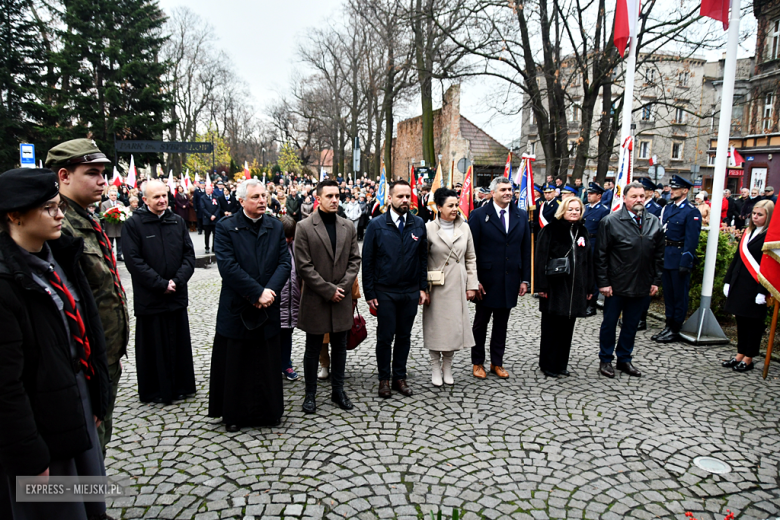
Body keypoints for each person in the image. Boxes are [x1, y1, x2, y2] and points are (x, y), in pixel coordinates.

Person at [0, 168, 111, 520]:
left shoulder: (61, 254)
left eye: (59, 205)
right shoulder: (6, 282)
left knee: (92, 500)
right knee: (57, 510)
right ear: (14, 215)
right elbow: (5, 387)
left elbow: (87, 329)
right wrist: (29, 457)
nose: (60, 214)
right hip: (41, 426)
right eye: (49, 208)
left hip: (76, 403)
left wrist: (96, 394)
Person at [46, 138, 129, 458]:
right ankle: (82, 506)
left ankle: (92, 505)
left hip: (104, 352)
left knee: (99, 437)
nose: (103, 181)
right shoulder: (59, 226)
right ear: (64, 176)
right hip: (82, 359)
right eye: (92, 173)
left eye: (104, 173)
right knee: (82, 443)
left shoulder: (87, 218)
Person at [208, 180, 290, 431]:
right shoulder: (226, 227)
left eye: (264, 195)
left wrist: (269, 292)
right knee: (237, 362)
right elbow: (228, 267)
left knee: (266, 360)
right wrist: (256, 294)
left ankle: (269, 412)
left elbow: (285, 263)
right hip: (238, 306)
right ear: (241, 201)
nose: (263, 200)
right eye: (256, 197)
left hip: (268, 305)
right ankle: (234, 415)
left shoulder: (275, 227)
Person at [122, 180, 196, 404]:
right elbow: (134, 261)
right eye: (156, 197)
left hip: (176, 294)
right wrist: (160, 283)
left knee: (178, 342)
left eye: (164, 195)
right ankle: (156, 389)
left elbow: (188, 256)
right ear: (145, 200)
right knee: (154, 345)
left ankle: (182, 386)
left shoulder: (177, 221)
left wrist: (177, 280)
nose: (162, 200)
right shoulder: (133, 225)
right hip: (151, 298)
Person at [295, 180, 361, 413]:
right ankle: (310, 394)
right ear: (319, 199)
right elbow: (304, 266)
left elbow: (354, 260)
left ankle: (338, 391)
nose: (335, 200)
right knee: (313, 348)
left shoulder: (348, 226)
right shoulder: (304, 227)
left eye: (337, 196)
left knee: (340, 347)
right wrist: (328, 290)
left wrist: (341, 288)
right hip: (316, 298)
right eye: (329, 196)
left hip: (341, 297)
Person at [363, 180, 428, 398]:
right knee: (385, 337)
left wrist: (422, 287)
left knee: (404, 336)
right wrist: (370, 292)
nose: (405, 200)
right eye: (400, 196)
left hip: (409, 291)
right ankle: (384, 379)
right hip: (385, 292)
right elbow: (368, 260)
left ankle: (399, 377)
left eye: (408, 196)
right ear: (389, 198)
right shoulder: (377, 225)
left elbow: (422, 258)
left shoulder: (418, 224)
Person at [596, 181, 664, 377]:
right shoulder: (610, 221)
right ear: (624, 198)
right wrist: (603, 282)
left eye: (642, 196)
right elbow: (600, 255)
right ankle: (606, 359)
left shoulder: (653, 221)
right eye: (634, 196)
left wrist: (655, 281)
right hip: (616, 284)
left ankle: (624, 359)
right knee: (609, 324)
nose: (639, 200)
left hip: (642, 283)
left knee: (631, 324)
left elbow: (659, 255)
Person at [469, 176, 532, 379]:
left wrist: (525, 279)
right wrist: (473, 280)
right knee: (481, 322)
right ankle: (477, 362)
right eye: (503, 189)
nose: (508, 193)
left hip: (510, 279)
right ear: (493, 192)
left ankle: (497, 362)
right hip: (486, 280)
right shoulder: (478, 215)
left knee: (502, 324)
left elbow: (525, 250)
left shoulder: (521, 216)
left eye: (510, 189)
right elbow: (471, 251)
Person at [423, 188, 478, 386]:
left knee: (453, 329)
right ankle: (435, 368)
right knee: (436, 328)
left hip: (457, 284)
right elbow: (421, 260)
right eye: (451, 205)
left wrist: (471, 285)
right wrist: (424, 289)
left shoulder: (465, 228)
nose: (455, 209)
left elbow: (470, 257)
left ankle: (448, 367)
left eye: (456, 205)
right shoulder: (428, 228)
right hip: (436, 285)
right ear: (439, 207)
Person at [535, 197, 593, 377]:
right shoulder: (550, 230)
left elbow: (588, 261)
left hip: (576, 287)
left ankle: (561, 364)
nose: (574, 212)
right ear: (563, 211)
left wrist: (590, 288)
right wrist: (541, 286)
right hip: (555, 286)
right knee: (551, 328)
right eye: (571, 209)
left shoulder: (583, 231)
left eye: (577, 209)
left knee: (567, 328)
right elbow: (540, 258)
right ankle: (548, 364)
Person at [722, 200, 774, 372]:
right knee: (741, 319)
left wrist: (763, 291)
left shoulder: (771, 237)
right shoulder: (748, 231)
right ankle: (740, 353)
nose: (755, 217)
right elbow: (737, 258)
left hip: (756, 285)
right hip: (740, 283)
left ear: (769, 216)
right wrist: (728, 281)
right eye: (754, 214)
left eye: (760, 215)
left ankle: (749, 357)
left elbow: (769, 266)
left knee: (754, 323)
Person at [652, 176, 702, 343]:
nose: (671, 190)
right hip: (667, 255)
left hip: (679, 256)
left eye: (675, 188)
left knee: (679, 295)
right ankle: (668, 324)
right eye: (671, 188)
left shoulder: (691, 211)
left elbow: (692, 239)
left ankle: (675, 327)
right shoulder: (668, 208)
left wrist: (686, 261)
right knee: (669, 294)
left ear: (685, 191)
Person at [279, 216, 302, 382]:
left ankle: (286, 363)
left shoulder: (296, 248)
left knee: (287, 336)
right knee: (274, 336)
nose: (288, 239)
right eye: (286, 236)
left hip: (292, 302)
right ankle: (274, 364)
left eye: (291, 236)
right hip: (277, 302)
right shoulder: (273, 248)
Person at [583, 183, 609, 317]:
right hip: (584, 244)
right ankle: (583, 301)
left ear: (599, 196)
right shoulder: (585, 208)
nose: (588, 195)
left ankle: (591, 304)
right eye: (588, 193)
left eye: (591, 193)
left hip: (594, 244)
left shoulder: (603, 210)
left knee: (592, 275)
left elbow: (603, 231)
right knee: (584, 274)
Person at [100, 186, 126, 261]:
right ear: (109, 196)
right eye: (112, 195)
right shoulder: (104, 204)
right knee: (110, 242)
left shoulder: (120, 203)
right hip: (110, 225)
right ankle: (110, 255)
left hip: (119, 225)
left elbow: (124, 213)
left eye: (115, 195)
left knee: (120, 241)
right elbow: (102, 214)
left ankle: (119, 255)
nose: (113, 197)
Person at [198, 184, 221, 253]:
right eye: (207, 190)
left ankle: (214, 247)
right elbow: (203, 208)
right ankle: (207, 247)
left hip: (215, 219)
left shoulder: (215, 197)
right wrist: (210, 216)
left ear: (211, 190)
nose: (208, 191)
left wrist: (215, 215)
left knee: (215, 234)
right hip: (207, 219)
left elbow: (218, 207)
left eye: (209, 190)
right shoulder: (203, 198)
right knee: (207, 234)